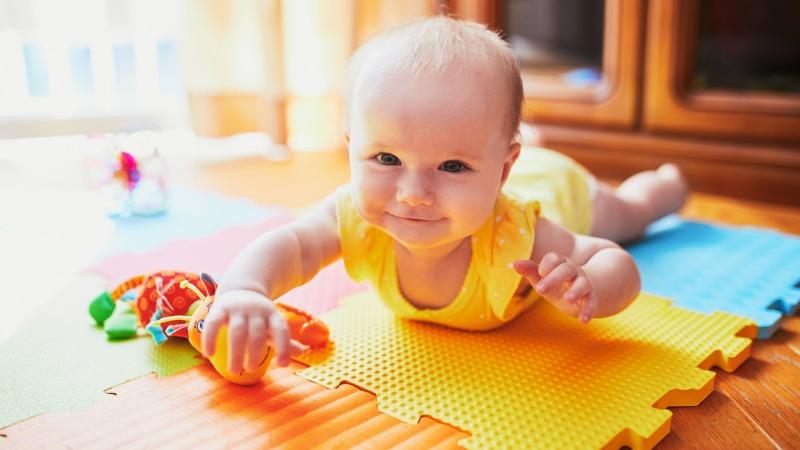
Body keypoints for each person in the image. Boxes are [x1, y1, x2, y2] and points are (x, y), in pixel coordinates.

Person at [201, 16, 688, 375]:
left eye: (453, 166)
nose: (413, 195)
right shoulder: (354, 212)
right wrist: (245, 289)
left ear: (502, 171)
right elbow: (295, 244)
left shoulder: (516, 232)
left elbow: (612, 260)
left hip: (558, 187)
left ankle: (664, 185)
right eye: (386, 159)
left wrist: (590, 284)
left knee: (629, 214)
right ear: (352, 150)